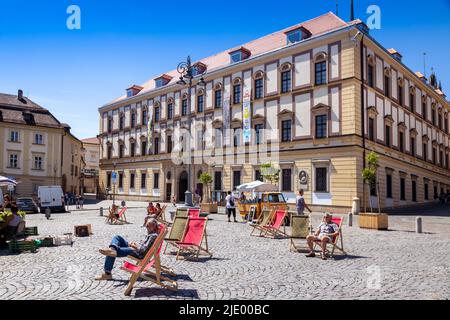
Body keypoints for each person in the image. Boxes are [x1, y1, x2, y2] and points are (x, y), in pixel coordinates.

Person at [95, 218, 160, 281]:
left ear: (154, 226)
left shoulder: (153, 236)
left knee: (110, 253)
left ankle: (107, 273)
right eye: (147, 225)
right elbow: (144, 246)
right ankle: (113, 249)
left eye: (148, 225)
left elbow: (143, 250)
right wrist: (134, 244)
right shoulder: (151, 233)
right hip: (136, 249)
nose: (146, 226)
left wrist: (134, 246)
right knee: (117, 238)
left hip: (138, 253)